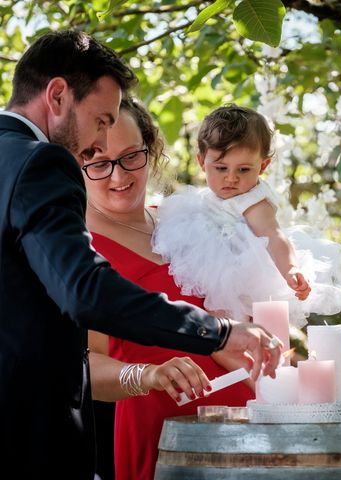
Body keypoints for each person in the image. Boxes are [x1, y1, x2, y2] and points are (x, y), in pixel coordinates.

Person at [0, 30, 281, 479]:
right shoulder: (40, 162)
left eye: (130, 154)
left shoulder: (189, 219)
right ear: (56, 95)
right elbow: (85, 292)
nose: (97, 145)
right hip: (59, 432)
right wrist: (217, 335)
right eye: (100, 121)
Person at [83, 97, 255, 480]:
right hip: (161, 433)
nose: (118, 176)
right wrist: (147, 375)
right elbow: (83, 367)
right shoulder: (75, 247)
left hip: (249, 424)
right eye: (97, 163)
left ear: (151, 149)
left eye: (131, 156)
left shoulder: (187, 219)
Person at [152, 104, 341, 327]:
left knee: (231, 317)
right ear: (202, 162)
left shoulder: (253, 201)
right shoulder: (205, 197)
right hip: (211, 256)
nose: (231, 178)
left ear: (263, 165)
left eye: (244, 170)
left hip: (240, 269)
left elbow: (273, 235)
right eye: (221, 168)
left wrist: (291, 269)